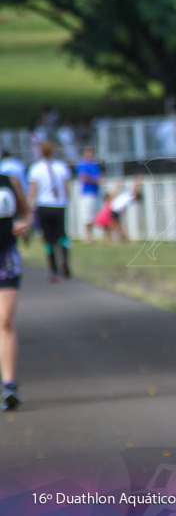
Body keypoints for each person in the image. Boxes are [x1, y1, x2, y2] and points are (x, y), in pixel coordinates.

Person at [0, 167, 32, 410]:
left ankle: (9, 384)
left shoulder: (9, 182)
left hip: (6, 258)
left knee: (5, 320)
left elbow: (26, 213)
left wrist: (24, 224)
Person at [27, 141, 73, 282]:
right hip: (59, 205)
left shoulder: (35, 169)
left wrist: (29, 208)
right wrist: (65, 200)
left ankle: (53, 270)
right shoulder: (61, 167)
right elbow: (67, 188)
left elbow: (33, 191)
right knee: (62, 235)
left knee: (48, 239)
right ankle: (64, 258)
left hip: (43, 205)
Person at [76, 146, 103, 243]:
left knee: (92, 216)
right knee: (87, 215)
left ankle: (90, 236)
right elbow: (84, 177)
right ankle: (87, 237)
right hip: (87, 192)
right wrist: (95, 180)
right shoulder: (83, 164)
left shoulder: (94, 164)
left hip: (94, 192)